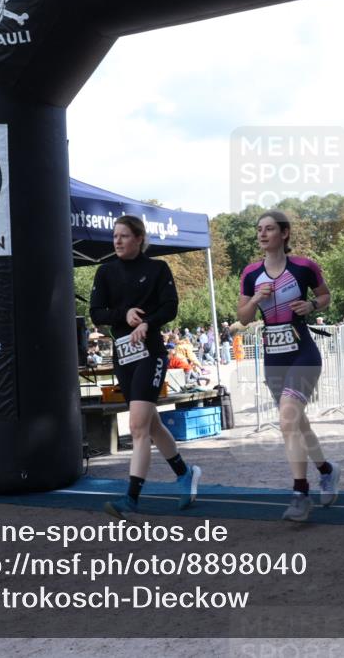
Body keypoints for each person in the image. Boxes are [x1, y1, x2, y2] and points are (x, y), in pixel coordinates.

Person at [90, 214, 201, 519]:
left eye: (124, 236)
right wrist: (124, 315)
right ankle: (185, 474)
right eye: (115, 236)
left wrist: (148, 323)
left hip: (150, 353)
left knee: (138, 425)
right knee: (151, 424)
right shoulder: (106, 272)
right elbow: (97, 313)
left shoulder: (157, 269)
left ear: (139, 239)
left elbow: (170, 306)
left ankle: (131, 499)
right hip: (124, 357)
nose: (117, 241)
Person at [238, 211, 339, 522]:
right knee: (296, 422)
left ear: (284, 233)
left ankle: (300, 493)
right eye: (259, 230)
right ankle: (327, 470)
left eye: (269, 229)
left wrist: (310, 305)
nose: (262, 234)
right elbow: (243, 317)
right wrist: (255, 300)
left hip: (303, 354)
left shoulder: (304, 266)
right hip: (273, 357)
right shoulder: (251, 273)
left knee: (286, 421)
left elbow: (325, 296)